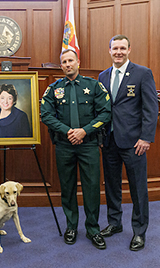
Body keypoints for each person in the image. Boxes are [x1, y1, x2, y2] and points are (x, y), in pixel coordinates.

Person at [41, 49, 111, 250]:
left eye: (71, 60)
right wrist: (69, 131)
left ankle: (93, 229)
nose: (67, 64)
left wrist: (84, 131)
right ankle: (71, 226)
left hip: (88, 144)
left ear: (78, 62)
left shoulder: (94, 86)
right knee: (68, 187)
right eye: (64, 62)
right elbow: (46, 114)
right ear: (61, 66)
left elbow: (105, 113)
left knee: (91, 188)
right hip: (64, 145)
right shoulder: (54, 89)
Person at [98, 35, 158, 251]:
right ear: (109, 50)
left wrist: (146, 137)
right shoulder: (103, 76)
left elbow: (151, 108)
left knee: (138, 188)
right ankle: (114, 223)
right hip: (109, 141)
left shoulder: (143, 73)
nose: (119, 52)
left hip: (134, 142)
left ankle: (139, 231)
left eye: (123, 48)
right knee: (112, 185)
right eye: (115, 48)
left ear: (129, 50)